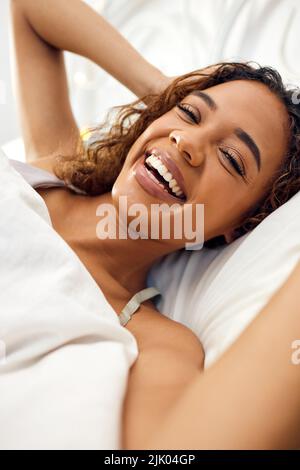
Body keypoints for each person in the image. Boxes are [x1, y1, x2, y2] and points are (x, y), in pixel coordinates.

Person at [9, 0, 300, 449]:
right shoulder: (52, 166)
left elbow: (164, 453)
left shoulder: (160, 345)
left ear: (239, 227)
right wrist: (167, 94)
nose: (187, 141)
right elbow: (31, 11)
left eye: (230, 157)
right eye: (190, 114)